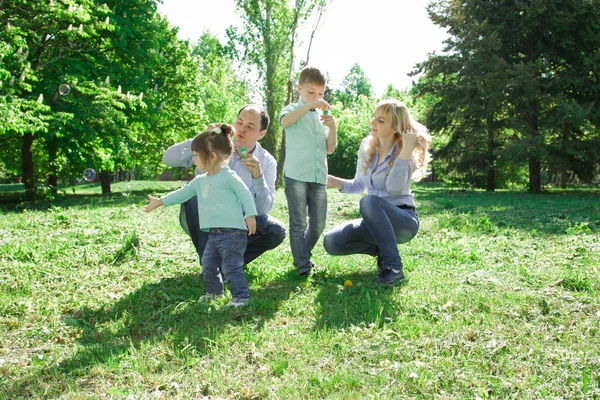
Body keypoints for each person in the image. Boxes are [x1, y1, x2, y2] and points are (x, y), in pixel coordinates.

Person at [144, 124, 257, 307]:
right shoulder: (200, 180)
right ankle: (214, 292)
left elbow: (245, 194)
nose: (193, 159)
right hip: (213, 233)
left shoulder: (229, 176)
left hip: (232, 233)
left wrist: (250, 215)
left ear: (212, 156)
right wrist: (160, 201)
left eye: (196, 155)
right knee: (208, 265)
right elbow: (182, 193)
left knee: (231, 267)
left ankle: (240, 297)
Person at [162, 105, 286, 268]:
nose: (241, 129)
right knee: (195, 192)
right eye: (239, 123)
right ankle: (211, 264)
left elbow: (262, 211)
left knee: (276, 230)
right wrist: (201, 138)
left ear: (261, 134)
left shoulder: (266, 161)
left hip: (237, 223)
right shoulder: (215, 145)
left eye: (250, 127)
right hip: (204, 217)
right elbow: (168, 158)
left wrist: (258, 178)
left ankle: (226, 263)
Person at [323, 99, 432, 285]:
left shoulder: (407, 151)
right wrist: (334, 181)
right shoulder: (367, 147)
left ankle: (393, 267)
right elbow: (358, 185)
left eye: (380, 121)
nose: (372, 123)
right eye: (374, 118)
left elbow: (393, 188)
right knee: (332, 242)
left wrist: (406, 151)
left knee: (369, 202)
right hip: (375, 220)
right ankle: (384, 251)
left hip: (403, 221)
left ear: (395, 127)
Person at [279, 66, 337, 276]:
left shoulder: (323, 117)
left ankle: (301, 256)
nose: (316, 98)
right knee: (298, 223)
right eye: (311, 92)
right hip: (296, 176)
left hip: (318, 177)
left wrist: (333, 127)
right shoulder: (292, 109)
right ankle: (303, 266)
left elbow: (330, 148)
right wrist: (310, 105)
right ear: (299, 88)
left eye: (320, 94)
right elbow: (285, 122)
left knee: (319, 224)